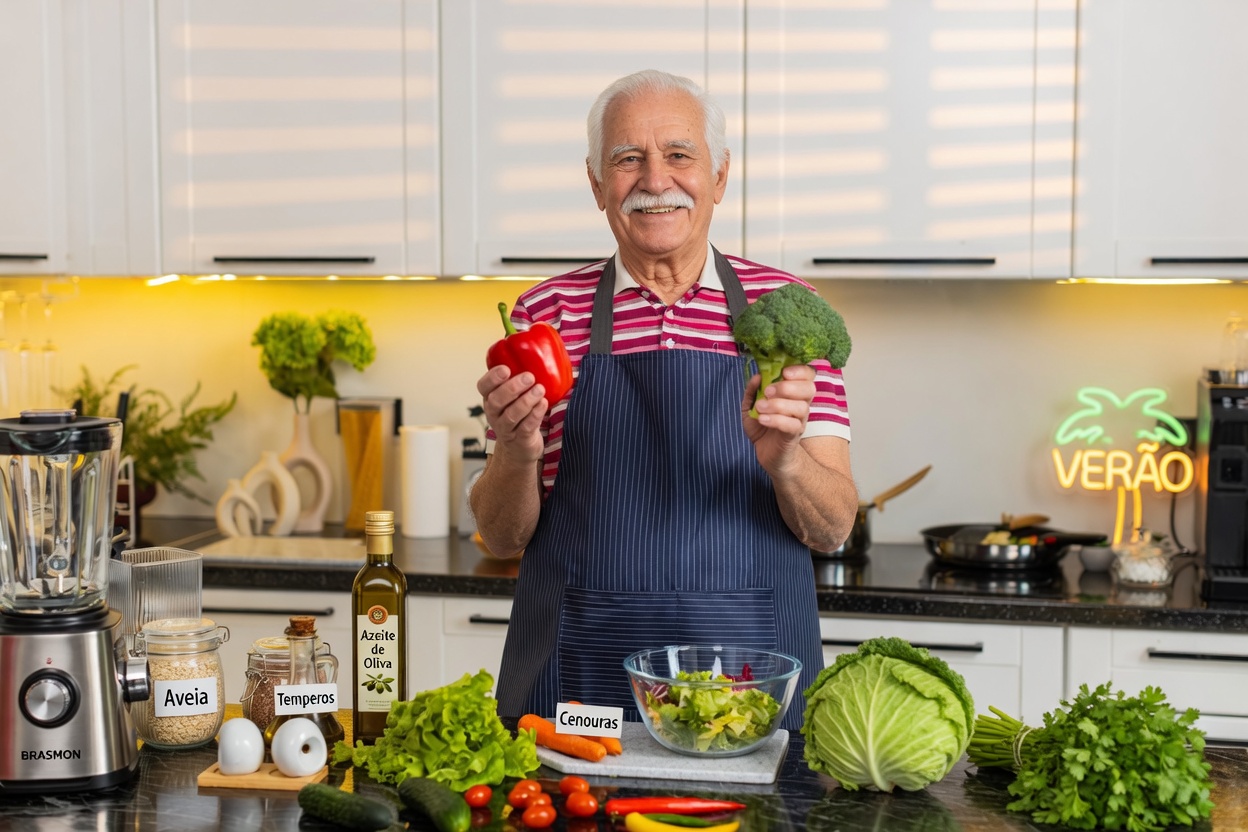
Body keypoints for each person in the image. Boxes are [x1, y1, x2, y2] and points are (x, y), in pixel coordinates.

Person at [471, 69, 857, 728]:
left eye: (679, 155)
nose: (655, 180)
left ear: (720, 175)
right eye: (628, 159)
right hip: (580, 676)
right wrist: (515, 452)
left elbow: (833, 529)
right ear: (597, 184)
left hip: (748, 671)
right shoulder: (544, 316)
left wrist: (787, 460)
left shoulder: (785, 311)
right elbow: (501, 538)